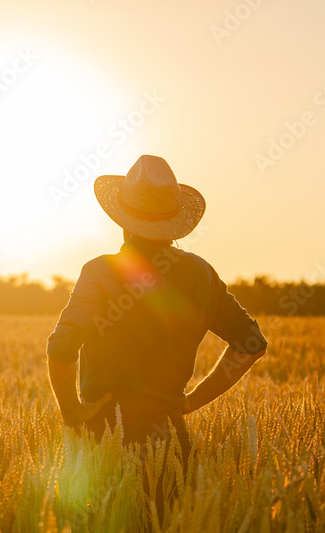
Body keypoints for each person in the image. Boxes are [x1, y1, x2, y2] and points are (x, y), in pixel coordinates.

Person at [46, 154, 268, 507]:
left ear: (123, 221)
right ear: (174, 222)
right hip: (170, 443)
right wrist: (190, 401)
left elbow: (61, 347)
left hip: (103, 443)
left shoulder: (101, 272)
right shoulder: (200, 274)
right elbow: (252, 343)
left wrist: (71, 410)